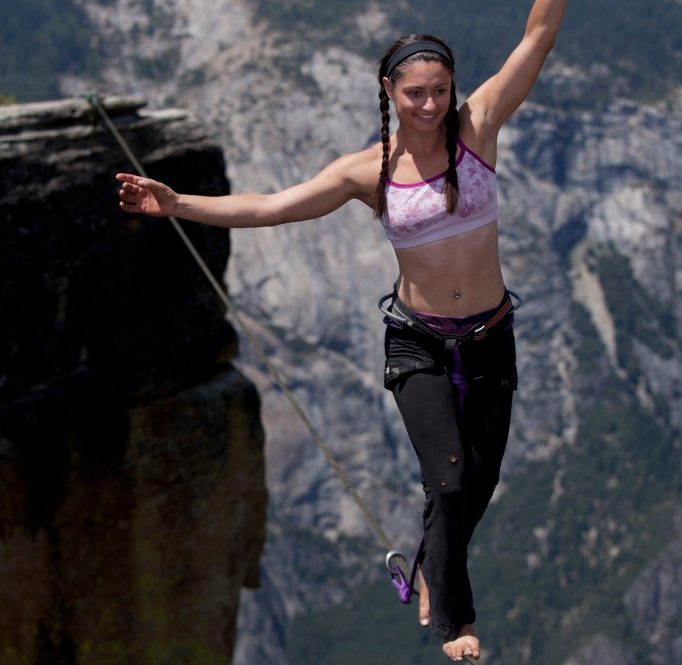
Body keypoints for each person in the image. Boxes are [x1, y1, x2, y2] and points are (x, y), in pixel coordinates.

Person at [116, 2, 566, 660]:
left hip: (491, 335)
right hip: (418, 342)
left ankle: (430, 567)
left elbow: (540, 34)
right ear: (389, 91)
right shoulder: (368, 171)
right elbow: (272, 206)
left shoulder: (480, 126)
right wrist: (178, 203)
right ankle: (455, 621)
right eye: (416, 93)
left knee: (475, 480)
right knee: (446, 475)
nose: (431, 105)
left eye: (441, 90)